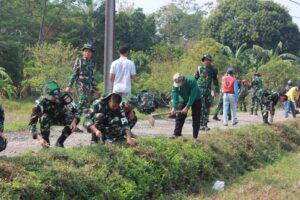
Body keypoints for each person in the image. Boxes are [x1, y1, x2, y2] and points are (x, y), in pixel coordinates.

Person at [29, 81, 80, 148]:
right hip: (48, 119)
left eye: (57, 96)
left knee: (73, 119)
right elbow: (32, 124)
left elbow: (76, 111)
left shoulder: (64, 96)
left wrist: (74, 121)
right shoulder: (40, 103)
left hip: (61, 117)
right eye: (53, 97)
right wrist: (39, 138)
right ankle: (46, 145)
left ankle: (60, 142)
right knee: (44, 118)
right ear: (46, 95)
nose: (56, 98)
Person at [65, 43, 99, 118]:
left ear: (91, 53)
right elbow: (74, 74)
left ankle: (76, 121)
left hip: (88, 86)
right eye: (86, 51)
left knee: (86, 104)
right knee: (82, 102)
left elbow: (92, 77)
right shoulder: (79, 61)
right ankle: (73, 121)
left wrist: (95, 89)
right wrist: (69, 86)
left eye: (89, 51)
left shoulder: (91, 63)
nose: (88, 53)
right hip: (80, 84)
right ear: (83, 52)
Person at [170, 73, 202, 143]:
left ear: (183, 80)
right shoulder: (175, 85)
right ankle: (177, 134)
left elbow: (192, 95)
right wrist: (174, 107)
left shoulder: (192, 81)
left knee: (196, 118)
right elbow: (175, 97)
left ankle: (195, 137)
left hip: (196, 99)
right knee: (180, 116)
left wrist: (187, 107)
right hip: (184, 99)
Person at [194, 54, 220, 131]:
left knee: (207, 107)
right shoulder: (199, 69)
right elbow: (195, 79)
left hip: (208, 91)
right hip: (199, 90)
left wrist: (217, 91)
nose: (206, 61)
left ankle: (205, 124)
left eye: (207, 60)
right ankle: (201, 124)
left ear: (210, 61)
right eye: (204, 60)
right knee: (202, 107)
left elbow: (215, 81)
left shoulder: (213, 70)